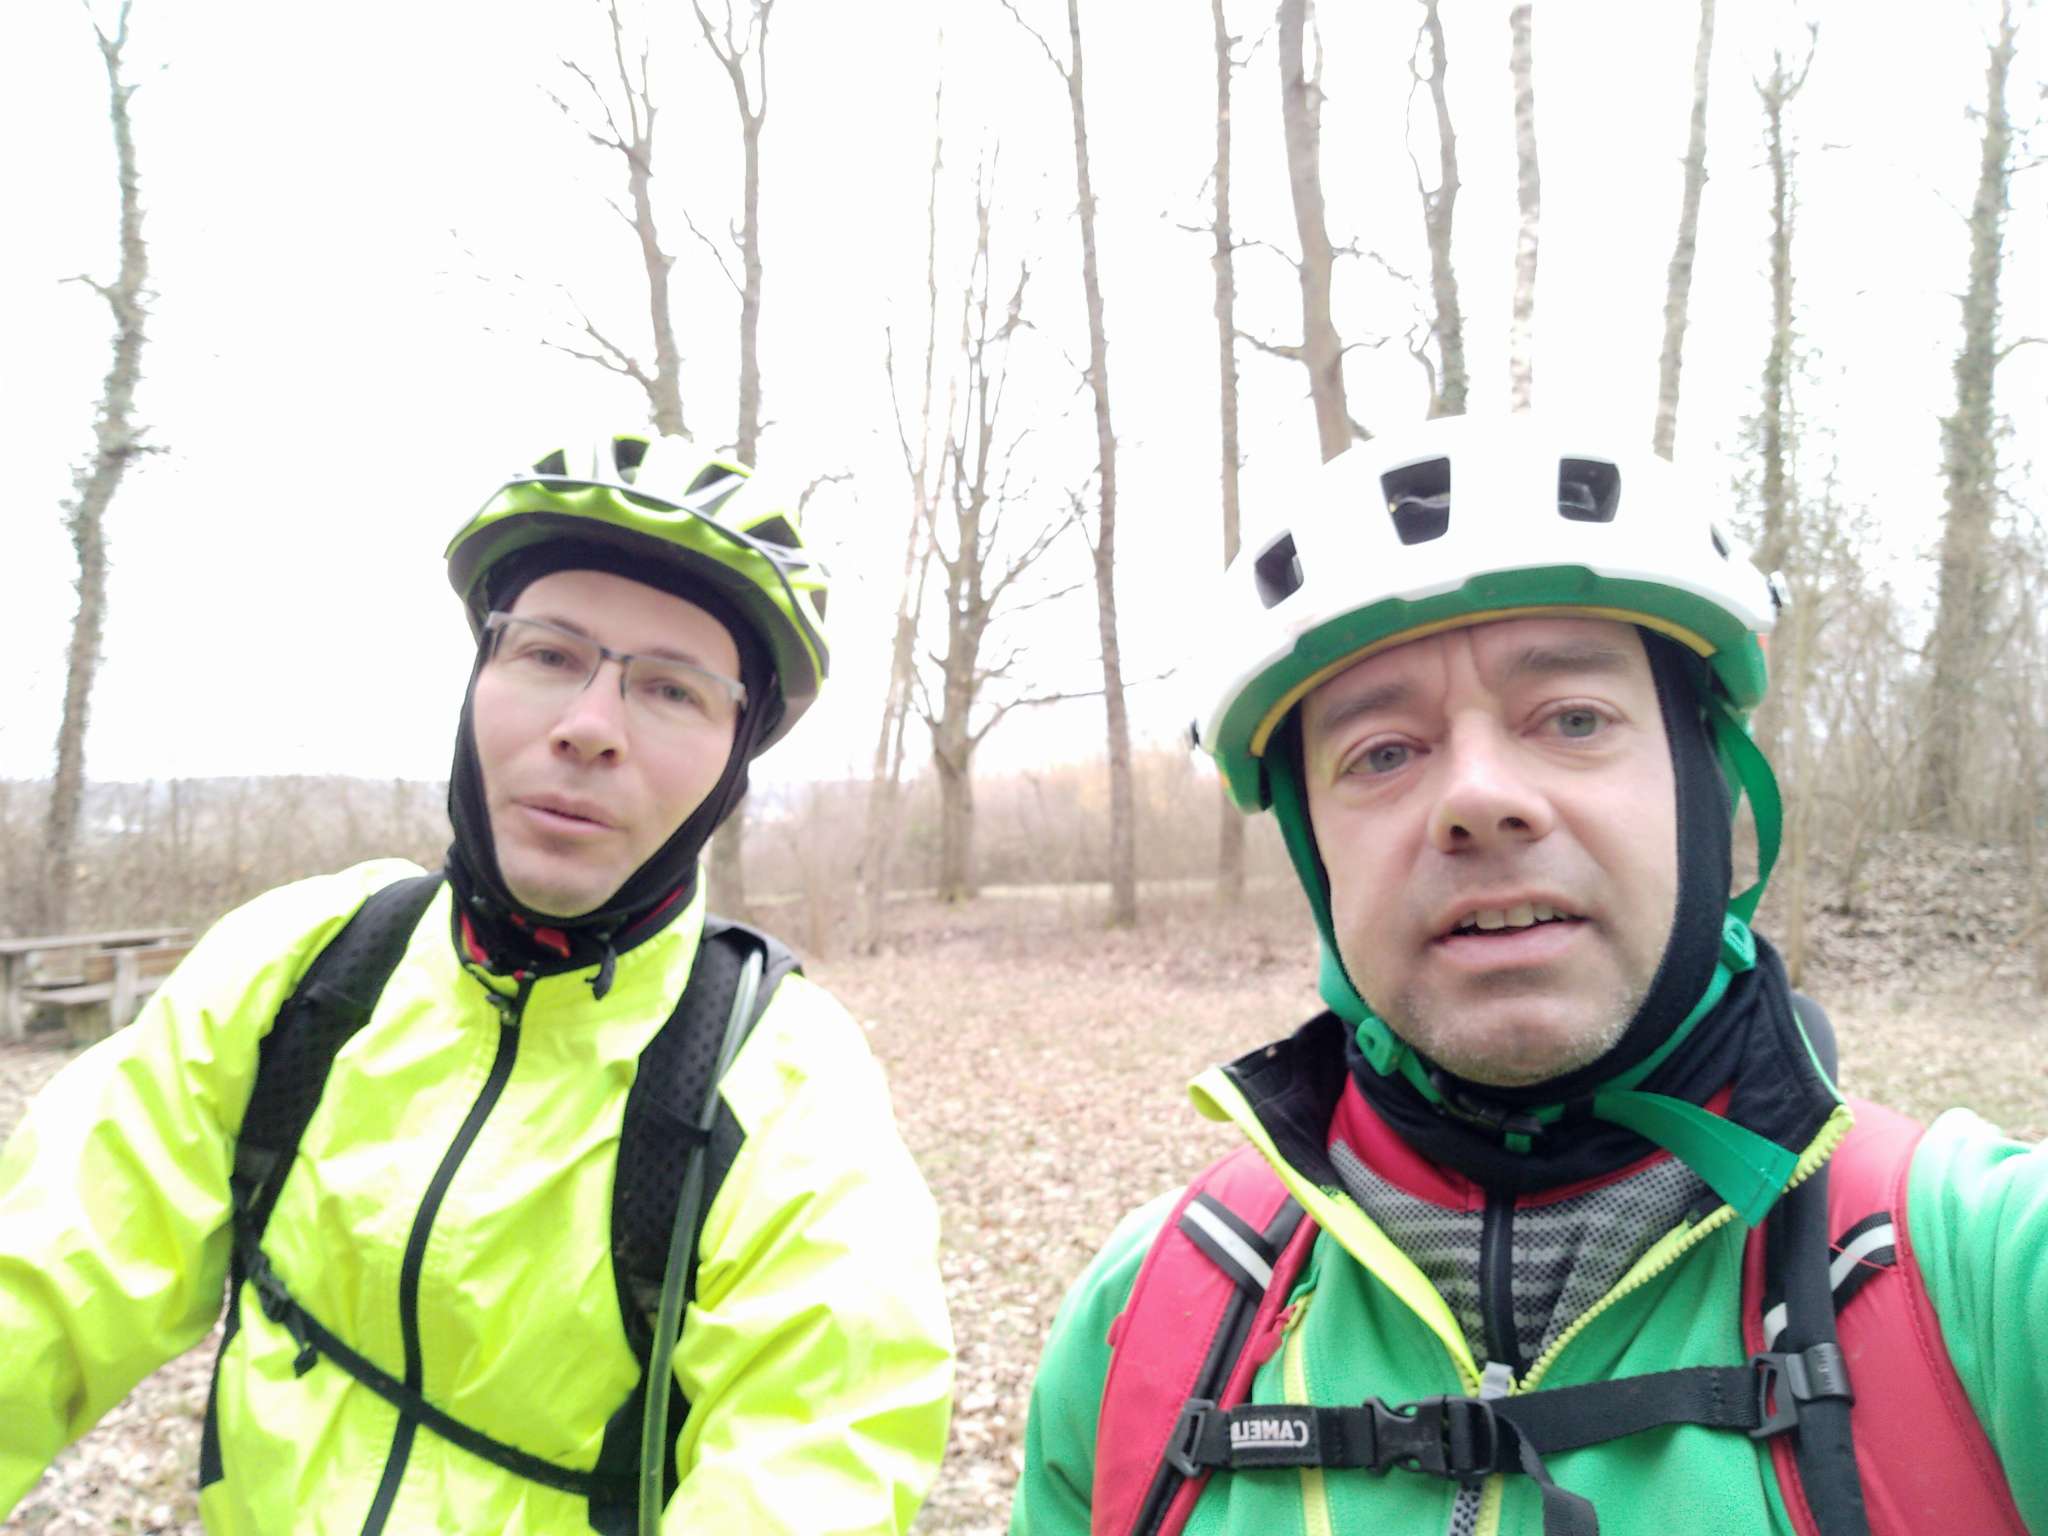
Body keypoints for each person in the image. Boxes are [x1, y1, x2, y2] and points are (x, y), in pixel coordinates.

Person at [1011, 414, 2045, 1535]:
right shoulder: (1145, 1323)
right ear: (1315, 853)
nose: (1479, 798)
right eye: (1383, 752)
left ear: (1702, 783)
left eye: (1573, 718)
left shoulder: (1983, 1277)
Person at [0, 433, 954, 1535]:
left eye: (671, 689)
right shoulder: (303, 965)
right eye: (548, 654)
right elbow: (46, 1276)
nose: (588, 727)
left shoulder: (785, 1088)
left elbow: (813, 1465)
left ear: (732, 766)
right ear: (476, 681)